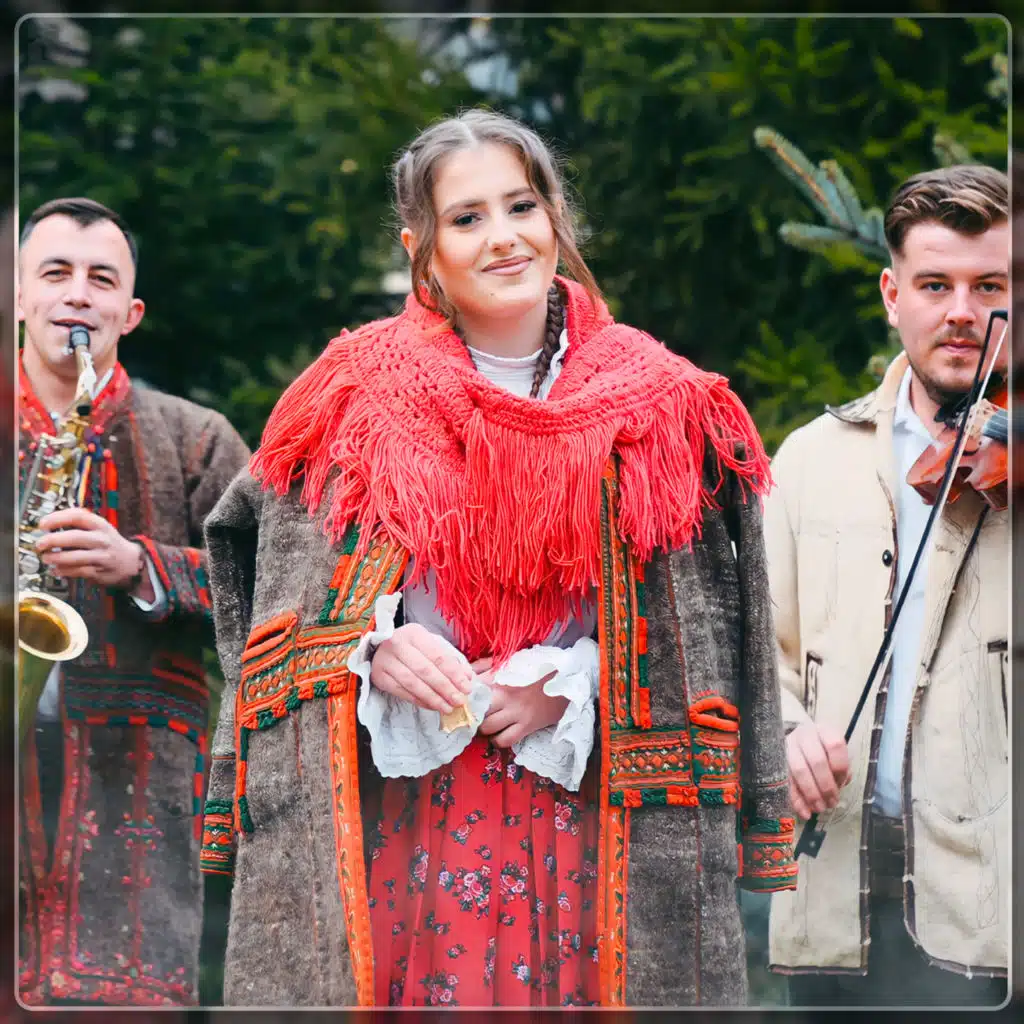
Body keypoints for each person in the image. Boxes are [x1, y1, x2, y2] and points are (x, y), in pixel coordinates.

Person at [200, 108, 796, 1009]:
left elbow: (704, 631)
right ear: (422, 249)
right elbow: (270, 579)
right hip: (404, 824)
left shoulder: (666, 404)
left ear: (555, 217)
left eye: (521, 207)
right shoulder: (351, 396)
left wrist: (574, 682)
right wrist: (372, 646)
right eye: (467, 218)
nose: (504, 237)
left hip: (601, 828)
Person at [764, 165, 1009, 1007]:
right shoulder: (810, 459)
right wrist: (785, 733)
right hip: (838, 877)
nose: (962, 312)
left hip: (995, 898)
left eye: (990, 287)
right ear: (892, 294)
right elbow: (757, 655)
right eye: (935, 285)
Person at [16, 197, 250, 1005]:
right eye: (56, 273)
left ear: (131, 312)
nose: (78, 295)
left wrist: (140, 565)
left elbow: (278, 595)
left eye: (101, 279)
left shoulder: (199, 438)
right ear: (18, 296)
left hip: (135, 818)